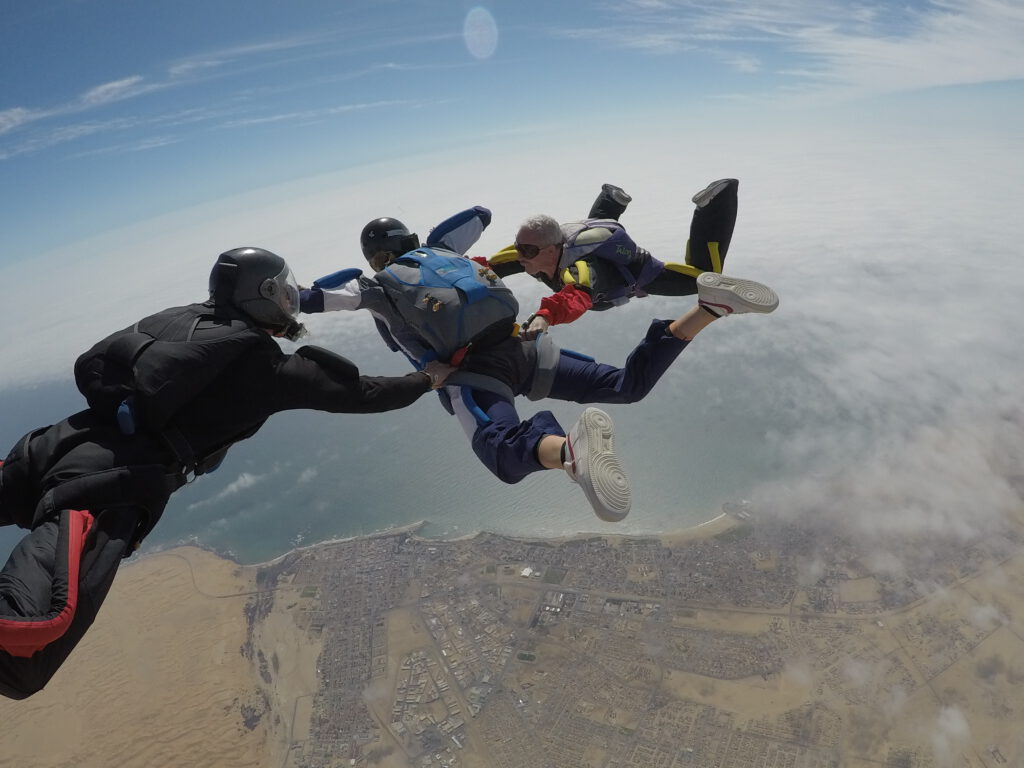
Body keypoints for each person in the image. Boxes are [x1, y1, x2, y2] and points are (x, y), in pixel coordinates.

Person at [0, 247, 448, 700]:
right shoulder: (261, 365)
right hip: (105, 484)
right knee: (22, 655)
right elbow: (364, 393)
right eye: (285, 291)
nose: (291, 300)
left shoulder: (180, 319)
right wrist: (428, 379)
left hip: (53, 443)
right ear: (265, 295)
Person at [300, 207, 777, 527]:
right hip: (522, 348)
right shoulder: (446, 253)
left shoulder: (377, 286)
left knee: (501, 453)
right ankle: (710, 308)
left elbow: (312, 298)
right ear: (412, 239)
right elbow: (479, 215)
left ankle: (568, 451)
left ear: (374, 257)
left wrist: (265, 311)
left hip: (472, 374)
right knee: (626, 386)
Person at [487, 179, 739, 338]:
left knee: (707, 277)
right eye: (519, 247)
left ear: (551, 250)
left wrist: (545, 316)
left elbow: (576, 296)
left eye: (528, 251)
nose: (520, 256)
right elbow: (487, 268)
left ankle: (715, 202)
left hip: (640, 274)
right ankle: (611, 200)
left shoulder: (582, 269)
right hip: (596, 267)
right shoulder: (532, 252)